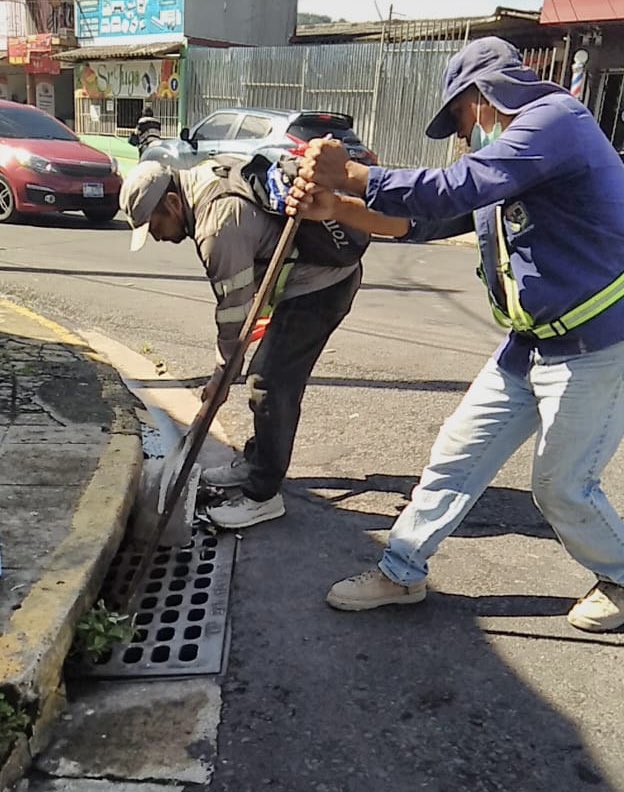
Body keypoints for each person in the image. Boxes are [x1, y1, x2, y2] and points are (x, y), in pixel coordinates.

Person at [286, 36, 624, 633]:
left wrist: (355, 172)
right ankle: (401, 572)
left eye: (462, 118)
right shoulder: (508, 168)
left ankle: (620, 577)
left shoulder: (555, 121)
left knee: (561, 487)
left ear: (486, 95)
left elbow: (457, 185)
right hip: (528, 344)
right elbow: (423, 220)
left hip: (596, 345)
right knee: (453, 457)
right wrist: (337, 208)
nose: (465, 136)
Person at [119, 155, 364, 529]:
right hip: (303, 279)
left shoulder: (217, 226)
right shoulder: (204, 174)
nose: (157, 236)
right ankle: (254, 463)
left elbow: (235, 313)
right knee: (264, 375)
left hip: (322, 285)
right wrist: (224, 373)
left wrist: (221, 378)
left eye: (154, 225)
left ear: (171, 203)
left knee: (269, 384)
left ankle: (263, 495)